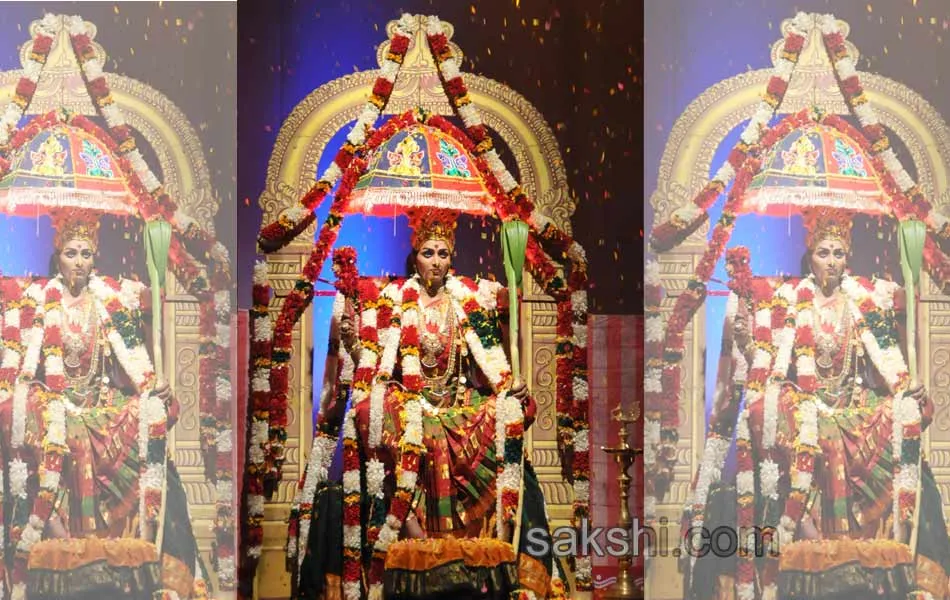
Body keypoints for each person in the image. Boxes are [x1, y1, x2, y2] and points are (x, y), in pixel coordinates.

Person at [294, 210, 565, 600]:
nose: (435, 261)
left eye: (442, 253)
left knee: (500, 410)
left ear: (451, 258)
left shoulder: (468, 299)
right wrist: (353, 342)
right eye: (427, 252)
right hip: (411, 405)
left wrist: (513, 388)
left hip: (456, 404)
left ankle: (475, 545)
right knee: (377, 407)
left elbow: (494, 363)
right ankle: (414, 537)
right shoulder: (392, 299)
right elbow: (372, 366)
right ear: (414, 257)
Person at [683, 207, 950, 600]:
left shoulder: (863, 300)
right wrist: (744, 335)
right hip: (804, 404)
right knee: (772, 411)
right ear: (810, 255)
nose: (831, 262)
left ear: (847, 257)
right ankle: (805, 531)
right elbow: (765, 361)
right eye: (824, 253)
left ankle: (888, 548)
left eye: (838, 253)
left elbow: (889, 365)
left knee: (901, 409)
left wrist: (908, 388)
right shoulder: (788, 299)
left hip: (852, 407)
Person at [0, 209, 208, 599]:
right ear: (58, 255)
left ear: (94, 257)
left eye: (86, 254)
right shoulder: (38, 300)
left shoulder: (110, 298)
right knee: (59, 429)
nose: (78, 262)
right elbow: (23, 372)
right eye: (71, 253)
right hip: (56, 402)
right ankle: (63, 546)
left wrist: (155, 387)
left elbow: (135, 358)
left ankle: (135, 546)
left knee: (149, 412)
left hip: (99, 403)